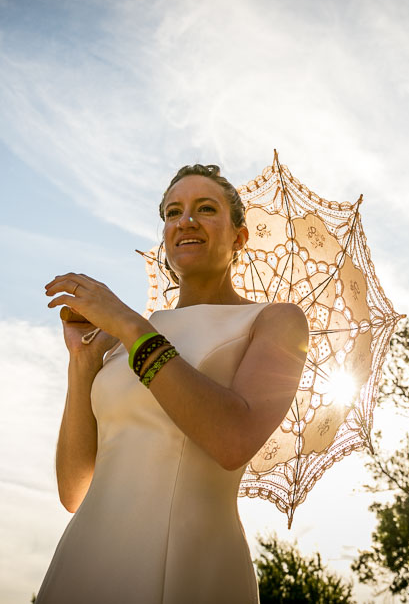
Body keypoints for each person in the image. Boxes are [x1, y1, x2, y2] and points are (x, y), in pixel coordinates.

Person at [36, 164, 309, 603]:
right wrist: (83, 361)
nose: (186, 221)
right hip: (86, 560)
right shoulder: (129, 335)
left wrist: (127, 322)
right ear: (165, 235)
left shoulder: (274, 321)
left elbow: (232, 440)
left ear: (239, 237)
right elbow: (74, 490)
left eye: (206, 208)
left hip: (191, 562)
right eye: (172, 212)